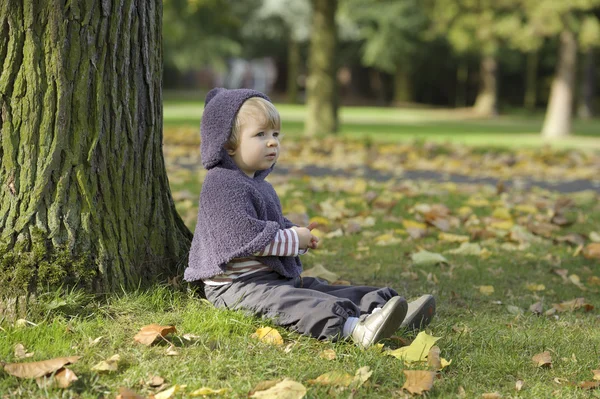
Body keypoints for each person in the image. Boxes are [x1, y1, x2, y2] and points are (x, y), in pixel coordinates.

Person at [184, 88, 435, 348]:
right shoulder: (222, 184)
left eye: (275, 134)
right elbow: (246, 238)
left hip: (267, 278)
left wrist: (296, 233)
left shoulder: (258, 185)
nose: (272, 142)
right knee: (296, 302)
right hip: (237, 288)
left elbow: (272, 224)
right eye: (260, 135)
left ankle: (381, 308)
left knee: (318, 288)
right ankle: (354, 328)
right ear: (228, 144)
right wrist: (294, 239)